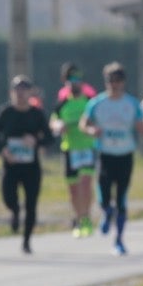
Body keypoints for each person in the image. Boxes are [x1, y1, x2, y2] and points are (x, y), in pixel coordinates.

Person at [80, 61, 143, 256]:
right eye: (110, 81)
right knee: (105, 195)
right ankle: (106, 213)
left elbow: (142, 125)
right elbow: (84, 123)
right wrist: (91, 130)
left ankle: (119, 240)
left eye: (117, 81)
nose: (114, 84)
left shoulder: (131, 103)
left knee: (122, 198)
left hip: (125, 155)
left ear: (123, 82)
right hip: (105, 155)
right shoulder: (97, 103)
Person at [0, 75, 54, 253]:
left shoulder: (36, 114)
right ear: (11, 93)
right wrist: (3, 150)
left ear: (30, 93)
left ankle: (26, 241)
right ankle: (15, 211)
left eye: (24, 90)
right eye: (16, 90)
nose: (20, 94)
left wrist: (35, 141)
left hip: (31, 167)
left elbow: (49, 138)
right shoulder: (6, 112)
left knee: (31, 203)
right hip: (10, 165)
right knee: (8, 197)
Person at [51, 62, 99, 236]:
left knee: (86, 183)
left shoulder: (89, 102)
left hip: (87, 147)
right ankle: (79, 219)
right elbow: (53, 121)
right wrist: (58, 125)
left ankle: (86, 218)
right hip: (70, 149)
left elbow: (97, 119)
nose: (74, 83)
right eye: (70, 79)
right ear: (65, 82)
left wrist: (93, 128)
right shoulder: (62, 104)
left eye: (77, 79)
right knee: (73, 189)